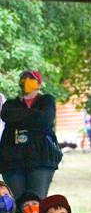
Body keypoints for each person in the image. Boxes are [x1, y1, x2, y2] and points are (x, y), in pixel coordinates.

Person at [0, 70, 62, 199]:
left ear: (39, 83)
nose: (26, 81)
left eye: (31, 78)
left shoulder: (46, 100)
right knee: (17, 202)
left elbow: (45, 119)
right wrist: (34, 117)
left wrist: (19, 117)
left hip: (41, 159)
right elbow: (6, 115)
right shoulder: (10, 104)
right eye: (24, 78)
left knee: (36, 202)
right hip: (12, 162)